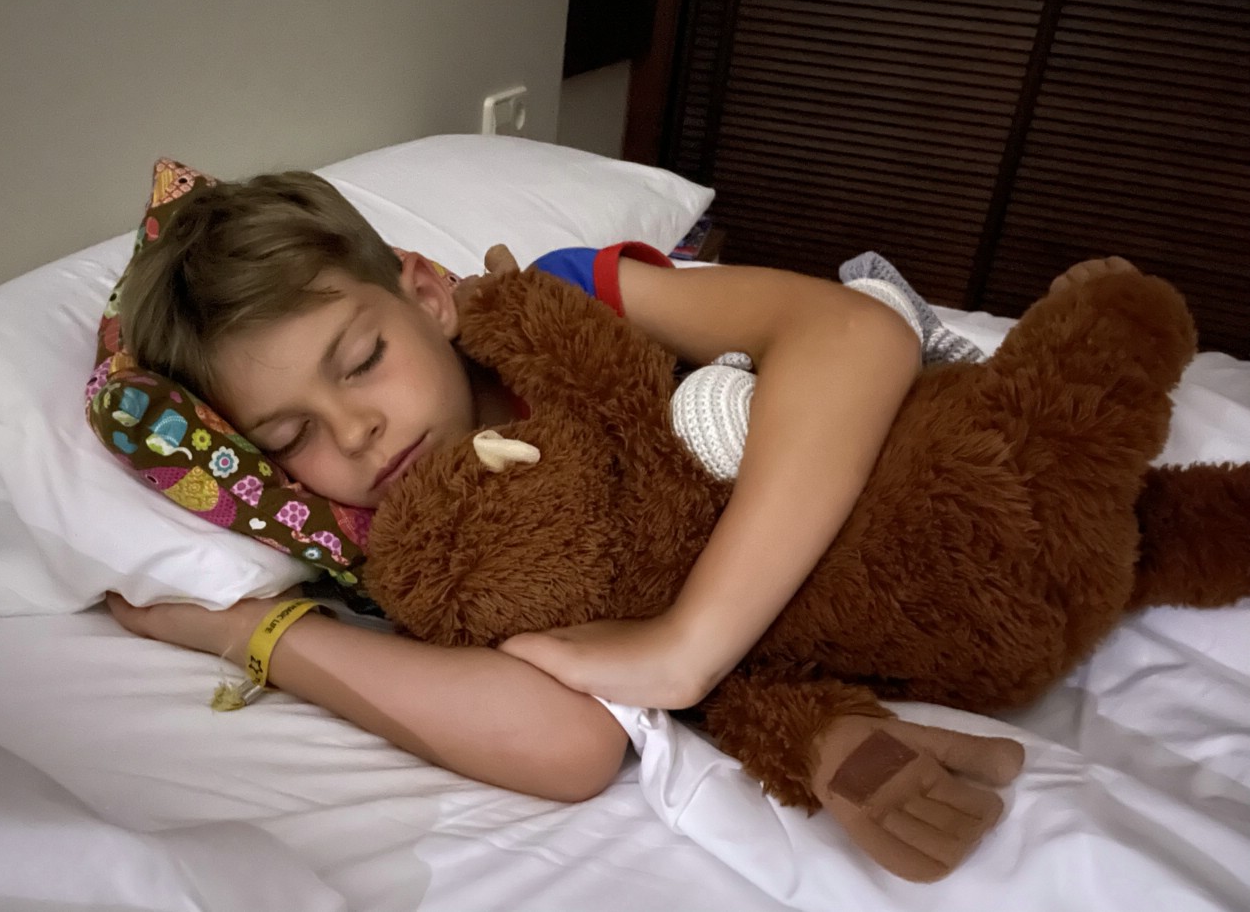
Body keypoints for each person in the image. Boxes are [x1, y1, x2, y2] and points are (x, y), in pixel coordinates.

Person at [106, 168, 926, 803]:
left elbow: (857, 331)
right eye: (292, 437)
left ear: (428, 296)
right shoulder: (412, 547)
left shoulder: (562, 305)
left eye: (363, 361)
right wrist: (256, 630)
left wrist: (690, 643)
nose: (354, 432)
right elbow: (570, 745)